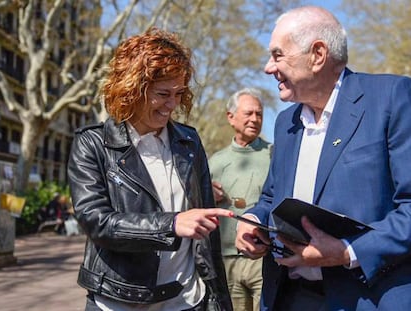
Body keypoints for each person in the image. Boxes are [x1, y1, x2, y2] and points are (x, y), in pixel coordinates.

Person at [235, 5, 411, 311]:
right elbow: (272, 197)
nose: (267, 68)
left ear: (317, 55)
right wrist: (253, 220)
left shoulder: (392, 98)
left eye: (277, 55)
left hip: (366, 299)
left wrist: (346, 251)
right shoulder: (285, 122)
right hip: (289, 296)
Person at [67, 27, 233, 311]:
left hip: (187, 299)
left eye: (179, 93)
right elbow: (96, 221)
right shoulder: (92, 143)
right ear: (131, 89)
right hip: (118, 300)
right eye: (163, 94)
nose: (173, 104)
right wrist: (171, 223)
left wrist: (219, 299)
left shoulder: (189, 141)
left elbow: (208, 239)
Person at [208, 87, 272, 311]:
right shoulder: (215, 162)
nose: (255, 119)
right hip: (226, 261)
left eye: (259, 114)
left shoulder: (275, 154)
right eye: (249, 113)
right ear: (231, 117)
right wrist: (207, 195)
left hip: (264, 259)